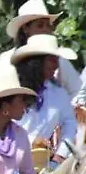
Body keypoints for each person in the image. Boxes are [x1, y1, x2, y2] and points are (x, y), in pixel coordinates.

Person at [10, 35, 76, 163]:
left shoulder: (59, 93)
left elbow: (70, 123)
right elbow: (6, 127)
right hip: (9, 159)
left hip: (40, 161)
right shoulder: (13, 89)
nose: (56, 65)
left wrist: (61, 153)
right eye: (51, 60)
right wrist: (31, 143)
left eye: (57, 60)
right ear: (37, 62)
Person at [2, 0, 79, 96]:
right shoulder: (6, 61)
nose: (46, 30)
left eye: (48, 25)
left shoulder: (60, 60)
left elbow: (77, 91)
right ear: (25, 28)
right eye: (40, 25)